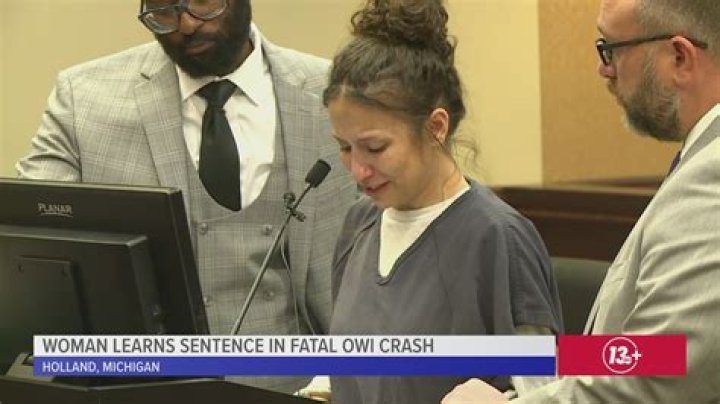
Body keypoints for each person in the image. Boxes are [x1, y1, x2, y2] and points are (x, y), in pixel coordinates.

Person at [15, 0, 355, 393]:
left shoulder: (334, 92)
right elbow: (27, 234)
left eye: (203, 2)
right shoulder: (83, 99)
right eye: (164, 10)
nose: (187, 24)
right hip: (144, 387)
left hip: (310, 383)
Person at [443, 0, 720, 402]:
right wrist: (533, 374)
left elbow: (662, 369)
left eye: (611, 49)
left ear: (680, 57)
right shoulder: (700, 158)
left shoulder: (712, 175)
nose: (603, 70)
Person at [296, 0, 563, 402]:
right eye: (345, 148)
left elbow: (543, 390)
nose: (358, 171)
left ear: (436, 127)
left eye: (375, 147)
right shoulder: (359, 224)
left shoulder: (499, 237)